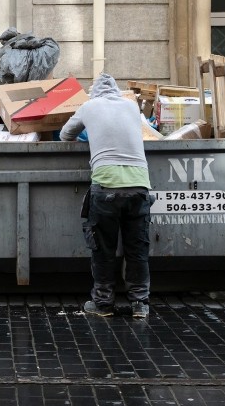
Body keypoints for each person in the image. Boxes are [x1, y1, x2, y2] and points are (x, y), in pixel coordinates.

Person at [59, 73, 155, 319]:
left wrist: (89, 136)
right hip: (139, 186)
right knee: (137, 250)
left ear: (94, 93)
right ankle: (140, 305)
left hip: (107, 187)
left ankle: (103, 304)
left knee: (103, 249)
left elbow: (65, 135)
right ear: (116, 90)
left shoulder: (89, 106)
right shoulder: (132, 107)